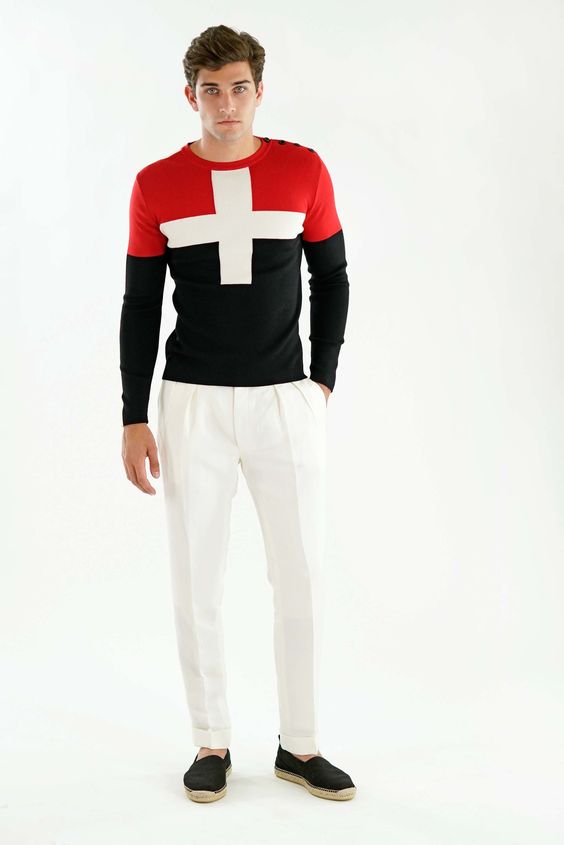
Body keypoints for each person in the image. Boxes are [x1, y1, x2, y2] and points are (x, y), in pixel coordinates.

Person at [119, 24, 355, 802]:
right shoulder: (156, 184)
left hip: (285, 399)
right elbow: (140, 303)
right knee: (198, 578)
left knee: (303, 573)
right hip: (191, 402)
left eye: (240, 88)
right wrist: (132, 413)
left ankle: (301, 744)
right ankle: (211, 739)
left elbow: (333, 275)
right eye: (211, 90)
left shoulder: (303, 170)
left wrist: (320, 380)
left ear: (260, 91)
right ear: (190, 95)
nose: (227, 104)